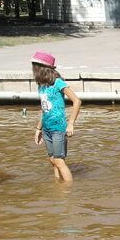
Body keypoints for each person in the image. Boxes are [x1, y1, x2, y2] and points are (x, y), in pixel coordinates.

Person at [31, 51, 82, 182]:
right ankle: (58, 190)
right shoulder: (41, 86)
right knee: (53, 161)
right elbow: (45, 109)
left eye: (34, 67)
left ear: (40, 68)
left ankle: (68, 192)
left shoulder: (58, 83)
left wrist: (71, 123)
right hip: (47, 128)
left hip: (58, 128)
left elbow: (77, 101)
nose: (32, 70)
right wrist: (38, 129)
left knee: (59, 161)